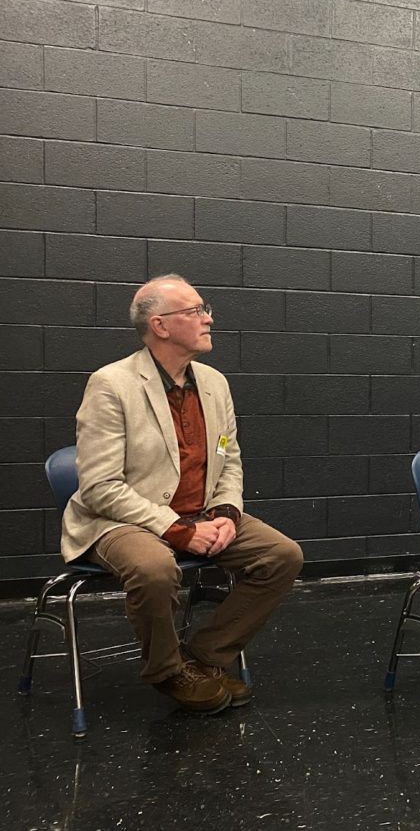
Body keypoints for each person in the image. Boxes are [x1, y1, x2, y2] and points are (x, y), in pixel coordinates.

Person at [61, 275, 304, 714]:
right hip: (123, 519)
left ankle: (201, 657)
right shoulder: (111, 384)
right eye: (195, 311)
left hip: (203, 511)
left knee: (282, 556)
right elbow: (99, 487)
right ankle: (167, 672)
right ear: (160, 325)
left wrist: (227, 512)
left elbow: (228, 458)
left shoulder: (214, 383)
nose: (208, 318)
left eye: (204, 309)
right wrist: (175, 529)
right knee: (155, 570)